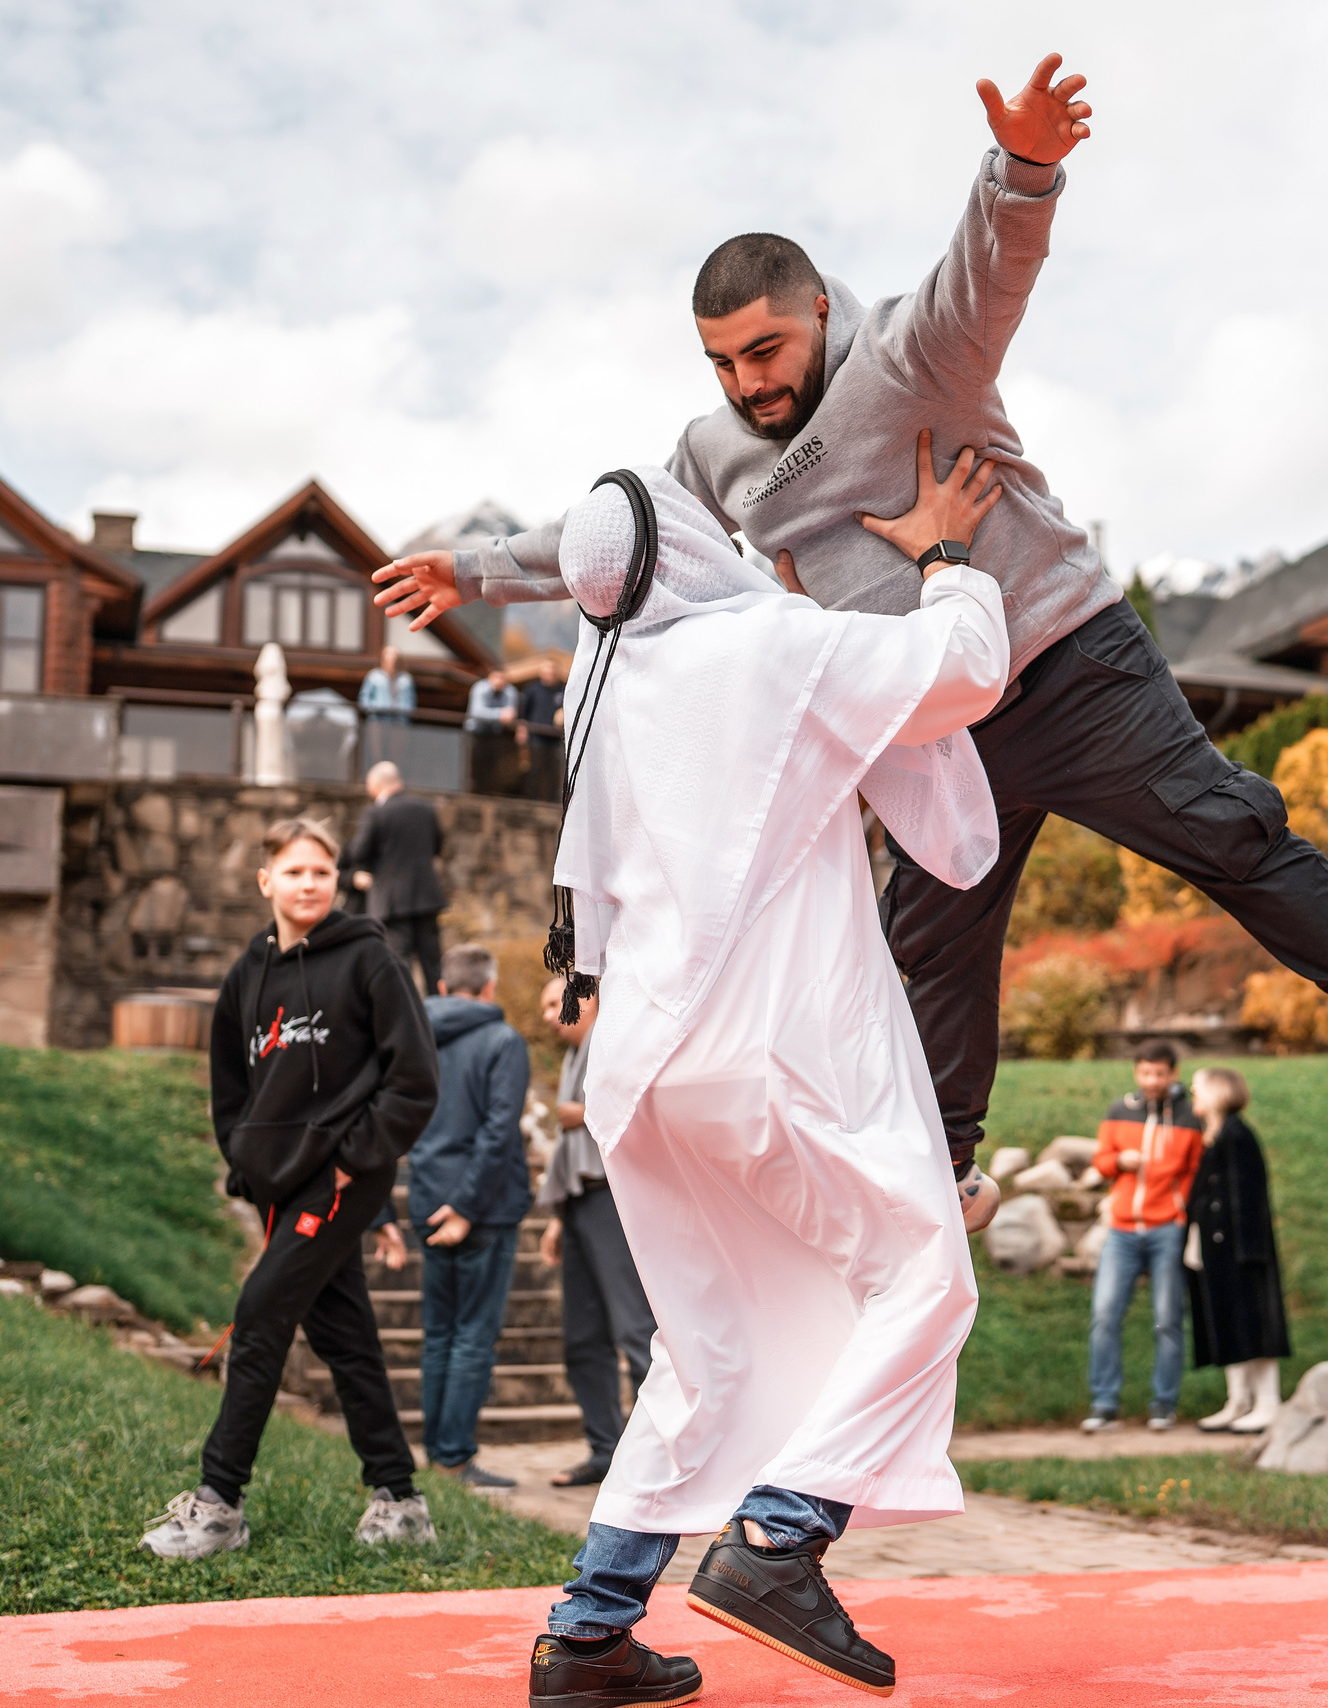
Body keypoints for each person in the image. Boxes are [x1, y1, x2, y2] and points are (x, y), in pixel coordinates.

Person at [373, 51, 1328, 1202]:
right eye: (722, 364)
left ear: (818, 307)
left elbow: (985, 271)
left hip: (1068, 667)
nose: (750, 384)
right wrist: (472, 572)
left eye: (766, 351)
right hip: (932, 725)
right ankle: (944, 1170)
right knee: (934, 953)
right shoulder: (713, 453)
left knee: (1226, 830)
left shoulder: (913, 355)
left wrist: (1024, 166)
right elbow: (631, 537)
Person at [519, 443, 1007, 1707]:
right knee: (923, 1272)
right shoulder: (766, 648)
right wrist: (947, 556)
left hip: (640, 1070)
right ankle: (782, 1539)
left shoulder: (602, 691)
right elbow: (960, 675)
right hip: (767, 1048)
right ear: (688, 545)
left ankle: (588, 1630)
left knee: (707, 1343)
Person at [140, 816, 439, 1560]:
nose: (310, 884)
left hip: (342, 1176)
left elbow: (416, 1079)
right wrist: (244, 1164)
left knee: (261, 1310)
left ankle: (218, 1508)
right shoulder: (247, 976)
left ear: (337, 882)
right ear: (266, 879)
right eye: (295, 871)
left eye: (323, 873)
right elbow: (229, 1085)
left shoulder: (369, 959)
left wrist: (354, 1159)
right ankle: (399, 1500)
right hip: (278, 1185)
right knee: (345, 1334)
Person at [367, 943, 533, 1493]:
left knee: (438, 1333)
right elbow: (499, 1128)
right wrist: (464, 1206)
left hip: (426, 1201)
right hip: (481, 1209)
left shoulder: (413, 1038)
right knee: (471, 1338)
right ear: (488, 989)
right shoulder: (502, 1040)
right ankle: (453, 1458)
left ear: (441, 988)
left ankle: (437, 1453)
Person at [531, 975, 656, 1492]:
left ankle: (661, 1456)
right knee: (582, 1337)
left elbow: (649, 1107)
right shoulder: (576, 1054)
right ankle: (605, 1450)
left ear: (585, 999)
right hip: (581, 1201)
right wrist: (559, 1216)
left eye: (550, 1002)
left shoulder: (616, 1043)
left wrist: (580, 1114)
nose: (544, 1015)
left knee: (633, 1329)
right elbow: (569, 1151)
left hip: (614, 1198)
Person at [1084, 1040, 1203, 1433]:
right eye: (1146, 1073)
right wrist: (1119, 1161)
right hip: (1121, 1229)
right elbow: (1101, 1161)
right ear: (1137, 1072)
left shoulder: (1189, 1115)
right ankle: (1104, 1403)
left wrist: (1181, 1210)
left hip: (1167, 1228)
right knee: (1104, 1315)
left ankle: (1163, 1404)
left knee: (1167, 1319)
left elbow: (1193, 1171)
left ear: (1173, 1074)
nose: (1153, 1080)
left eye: (1161, 1073)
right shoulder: (1119, 1111)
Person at [1183, 1066, 1289, 1435]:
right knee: (1228, 1322)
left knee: (1254, 1324)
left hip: (1239, 1251)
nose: (1191, 1093)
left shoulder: (1237, 1135)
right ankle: (1239, 1400)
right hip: (1214, 1250)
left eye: (1197, 1088)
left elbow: (1248, 1199)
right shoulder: (1215, 1135)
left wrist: (1248, 1254)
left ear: (1216, 1092)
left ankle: (1268, 1403)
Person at [346, 761, 447, 997]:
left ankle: (408, 1015)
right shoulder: (426, 808)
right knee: (433, 965)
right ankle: (440, 1012)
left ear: (376, 786)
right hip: (426, 897)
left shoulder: (376, 813)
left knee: (399, 965)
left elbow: (358, 852)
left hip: (391, 902)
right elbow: (438, 846)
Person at [514, 656, 565, 802]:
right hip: (535, 737)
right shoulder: (532, 689)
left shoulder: (563, 690)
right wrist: (521, 731)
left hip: (555, 739)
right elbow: (523, 714)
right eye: (546, 670)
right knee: (534, 771)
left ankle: (551, 801)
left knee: (553, 773)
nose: (549, 673)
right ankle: (531, 800)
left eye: (552, 670)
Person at [465, 666, 522, 796]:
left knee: (492, 769)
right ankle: (472, 793)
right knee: (474, 769)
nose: (499, 681)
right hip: (476, 734)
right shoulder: (480, 688)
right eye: (496, 677)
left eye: (502, 678)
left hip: (495, 735)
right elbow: (477, 712)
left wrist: (501, 716)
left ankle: (488, 793)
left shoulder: (510, 692)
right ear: (489, 678)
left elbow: (510, 715)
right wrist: (499, 715)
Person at [359, 643, 416, 765]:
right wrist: (375, 708)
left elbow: (410, 702)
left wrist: (401, 710)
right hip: (378, 719)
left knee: (397, 752)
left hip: (398, 721)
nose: (391, 660)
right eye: (388, 657)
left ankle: (395, 772)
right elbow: (364, 700)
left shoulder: (405, 679)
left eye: (393, 657)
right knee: (377, 751)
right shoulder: (374, 677)